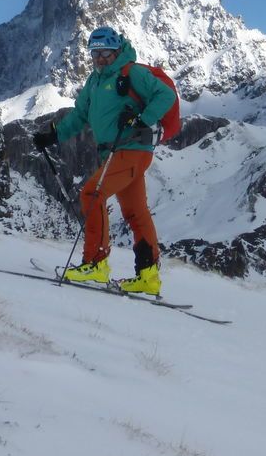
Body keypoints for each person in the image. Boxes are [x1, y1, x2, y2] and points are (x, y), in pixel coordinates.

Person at [33, 26, 175, 295]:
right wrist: (52, 136)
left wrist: (140, 119)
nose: (100, 59)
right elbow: (79, 115)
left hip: (133, 148)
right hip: (112, 152)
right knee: (135, 212)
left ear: (117, 50)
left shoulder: (132, 72)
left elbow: (165, 96)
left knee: (92, 194)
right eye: (95, 54)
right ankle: (148, 276)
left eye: (105, 53)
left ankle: (95, 264)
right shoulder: (94, 82)